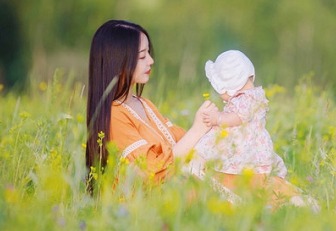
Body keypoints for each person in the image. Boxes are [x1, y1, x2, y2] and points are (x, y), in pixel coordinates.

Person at [85, 20, 215, 186]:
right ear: (117, 63)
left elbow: (177, 144)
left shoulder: (143, 103)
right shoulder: (113, 116)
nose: (151, 60)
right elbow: (151, 173)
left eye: (148, 53)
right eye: (142, 56)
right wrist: (197, 130)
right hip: (150, 203)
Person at [192, 50, 316, 209]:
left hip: (243, 148)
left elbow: (238, 117)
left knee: (238, 172)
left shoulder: (246, 99)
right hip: (251, 145)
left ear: (229, 85)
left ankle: (229, 183)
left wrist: (218, 119)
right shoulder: (254, 95)